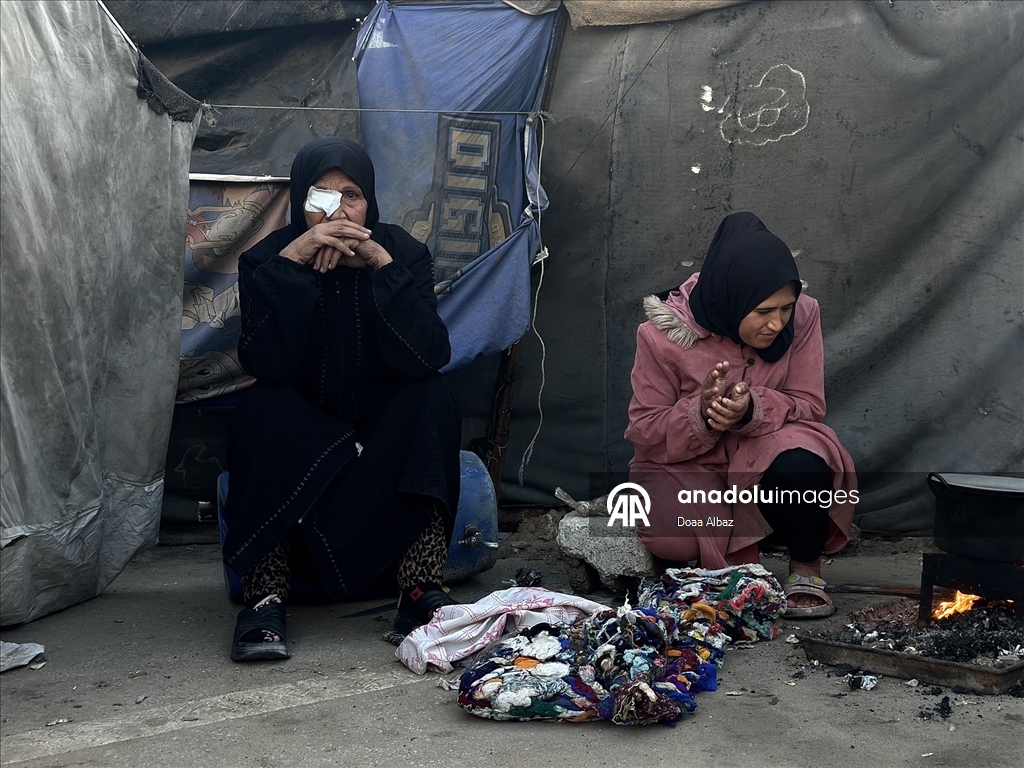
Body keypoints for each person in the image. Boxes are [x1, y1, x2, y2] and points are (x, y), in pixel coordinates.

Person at [221, 137, 462, 661]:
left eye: (350, 195)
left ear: (369, 202)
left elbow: (428, 355)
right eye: (320, 196)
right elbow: (267, 363)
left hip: (380, 431)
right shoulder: (267, 258)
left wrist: (380, 264)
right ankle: (266, 599)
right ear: (300, 201)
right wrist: (290, 267)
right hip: (304, 431)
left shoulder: (402, 251)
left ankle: (419, 589)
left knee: (432, 394)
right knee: (262, 402)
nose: (336, 210)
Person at [624, 212, 857, 618]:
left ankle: (805, 567)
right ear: (732, 299)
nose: (776, 323)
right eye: (764, 311)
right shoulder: (663, 334)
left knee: (804, 463)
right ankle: (734, 546)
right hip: (688, 461)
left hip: (764, 449)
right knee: (674, 542)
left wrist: (752, 409)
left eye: (785, 308)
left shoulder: (803, 316)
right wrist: (702, 411)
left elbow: (808, 402)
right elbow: (644, 428)